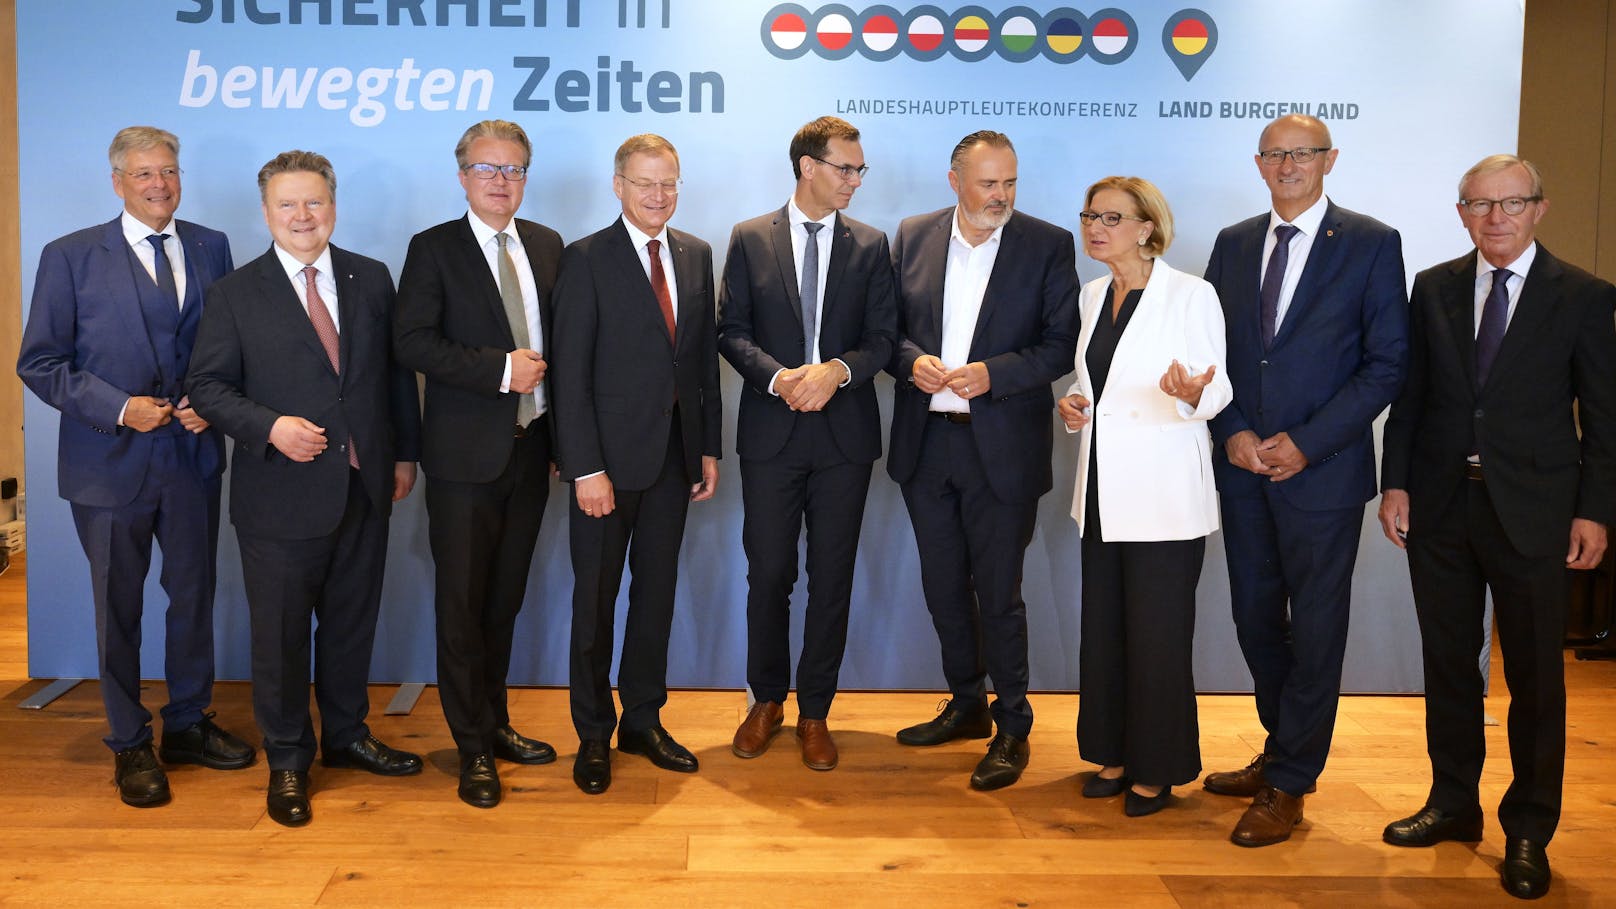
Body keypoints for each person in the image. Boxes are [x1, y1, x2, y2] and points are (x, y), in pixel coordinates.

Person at [1378, 155, 1616, 900]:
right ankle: (1453, 803)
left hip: (1538, 511)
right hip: (1442, 505)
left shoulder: (1584, 295)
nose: (1495, 218)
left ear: (1539, 208)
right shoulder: (1434, 287)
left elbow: (1604, 416)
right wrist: (1395, 482)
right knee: (1449, 663)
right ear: (1462, 214)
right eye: (1480, 205)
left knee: (1537, 678)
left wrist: (1595, 510)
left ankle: (1529, 827)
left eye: (1511, 203)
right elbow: (1412, 397)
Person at [186, 150, 425, 827]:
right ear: (266, 213)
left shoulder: (370, 277)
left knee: (351, 625)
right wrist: (270, 426)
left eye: (314, 201)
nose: (302, 215)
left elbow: (394, 376)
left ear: (333, 207)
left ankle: (347, 736)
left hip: (364, 486)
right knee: (282, 637)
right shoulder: (235, 293)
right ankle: (289, 758)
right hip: (280, 496)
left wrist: (403, 454)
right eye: (287, 204)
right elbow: (207, 387)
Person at [16, 126, 253, 807]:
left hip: (192, 458)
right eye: (145, 173)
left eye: (169, 171)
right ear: (117, 181)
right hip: (107, 464)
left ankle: (188, 722)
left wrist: (212, 403)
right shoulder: (69, 255)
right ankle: (128, 740)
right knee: (116, 607)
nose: (160, 184)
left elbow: (228, 346)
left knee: (193, 596)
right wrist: (122, 409)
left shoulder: (211, 246)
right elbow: (41, 362)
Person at [1202, 114, 1408, 846]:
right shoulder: (1232, 243)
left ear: (1329, 159)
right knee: (1255, 619)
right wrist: (1231, 431)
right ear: (1259, 164)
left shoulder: (1371, 242)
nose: (1288, 165)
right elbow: (1207, 349)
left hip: (1323, 476)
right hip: (1244, 470)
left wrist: (1309, 444)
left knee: (1317, 631)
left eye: (1303, 154)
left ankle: (1290, 782)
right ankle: (1280, 747)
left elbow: (1386, 363)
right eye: (1275, 155)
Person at [886, 130, 1079, 791]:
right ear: (955, 181)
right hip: (926, 444)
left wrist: (993, 374)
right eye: (988, 183)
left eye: (1010, 182)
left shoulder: (1047, 244)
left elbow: (1061, 345)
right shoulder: (912, 235)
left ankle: (1013, 724)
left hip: (1003, 448)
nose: (1001, 195)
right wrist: (910, 361)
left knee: (998, 593)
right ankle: (966, 703)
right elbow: (886, 332)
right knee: (943, 587)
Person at [716, 116, 897, 771]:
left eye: (859, 169)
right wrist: (780, 379)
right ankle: (766, 701)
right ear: (807, 167)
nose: (855, 180)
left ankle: (816, 711)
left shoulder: (871, 245)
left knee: (832, 578)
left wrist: (837, 371)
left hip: (845, 439)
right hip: (772, 435)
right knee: (768, 573)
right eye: (845, 168)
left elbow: (883, 338)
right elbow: (730, 330)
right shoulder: (749, 237)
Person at [393, 120, 563, 809]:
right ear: (463, 175)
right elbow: (411, 342)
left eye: (514, 169)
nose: (501, 180)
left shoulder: (547, 245)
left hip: (533, 451)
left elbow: (566, 348)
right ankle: (470, 746)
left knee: (503, 600)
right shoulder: (432, 248)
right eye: (488, 168)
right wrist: (499, 370)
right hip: (464, 459)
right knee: (462, 605)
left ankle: (495, 722)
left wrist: (568, 445)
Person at [550, 134, 720, 796]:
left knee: (656, 596)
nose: (658, 195)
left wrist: (706, 445)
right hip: (606, 467)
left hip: (674, 459)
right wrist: (584, 466)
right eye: (645, 183)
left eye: (668, 182)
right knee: (595, 602)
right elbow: (569, 372)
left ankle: (643, 720)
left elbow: (700, 363)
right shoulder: (585, 258)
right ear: (618, 186)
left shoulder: (696, 254)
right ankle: (594, 732)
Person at [1056, 176, 1230, 817]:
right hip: (1102, 490)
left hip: (1163, 495)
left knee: (1157, 637)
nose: (1095, 228)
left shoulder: (1191, 294)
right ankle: (1112, 753)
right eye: (1089, 216)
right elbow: (1094, 382)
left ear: (1146, 228)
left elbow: (1218, 388)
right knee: (1104, 629)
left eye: (1111, 217)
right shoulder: (1092, 293)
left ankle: (1157, 769)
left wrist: (1192, 393)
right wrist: (1075, 404)